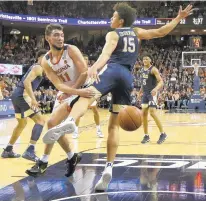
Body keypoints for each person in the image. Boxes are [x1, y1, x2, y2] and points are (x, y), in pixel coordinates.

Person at [40, 3, 193, 191]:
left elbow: (106, 54)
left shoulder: (113, 34)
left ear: (120, 21)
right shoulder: (136, 32)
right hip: (127, 78)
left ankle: (71, 120)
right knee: (114, 125)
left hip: (112, 70)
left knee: (86, 97)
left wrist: (94, 67)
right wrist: (178, 18)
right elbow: (161, 31)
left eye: (113, 16)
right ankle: (109, 168)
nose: (111, 19)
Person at [26, 24, 95, 177]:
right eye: (56, 35)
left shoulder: (71, 50)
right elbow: (58, 84)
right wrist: (69, 91)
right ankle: (72, 157)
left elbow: (84, 72)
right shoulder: (45, 61)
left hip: (83, 87)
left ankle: (43, 162)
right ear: (47, 38)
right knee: (51, 124)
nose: (60, 38)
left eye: (62, 35)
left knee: (54, 124)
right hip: (69, 91)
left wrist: (73, 91)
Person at [1, 49, 47, 161]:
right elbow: (26, 82)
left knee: (22, 124)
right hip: (22, 96)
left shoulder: (38, 68)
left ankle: (8, 149)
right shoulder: (38, 67)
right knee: (40, 121)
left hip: (17, 95)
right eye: (46, 57)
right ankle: (30, 150)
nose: (48, 59)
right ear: (39, 57)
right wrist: (33, 99)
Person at [73, 54, 103, 139]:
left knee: (95, 111)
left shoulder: (91, 69)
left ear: (88, 61)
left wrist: (97, 94)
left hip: (90, 92)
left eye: (86, 59)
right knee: (78, 112)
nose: (85, 60)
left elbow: (96, 81)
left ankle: (98, 130)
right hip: (81, 91)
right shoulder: (77, 70)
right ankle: (75, 131)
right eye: (83, 59)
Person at [139, 55, 166, 144]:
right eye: (143, 58)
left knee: (152, 112)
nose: (145, 60)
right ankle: (146, 136)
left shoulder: (153, 69)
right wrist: (140, 92)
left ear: (150, 60)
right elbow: (143, 83)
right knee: (144, 115)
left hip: (152, 93)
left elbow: (161, 82)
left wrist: (156, 89)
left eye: (147, 58)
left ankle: (163, 133)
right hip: (145, 94)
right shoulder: (142, 70)